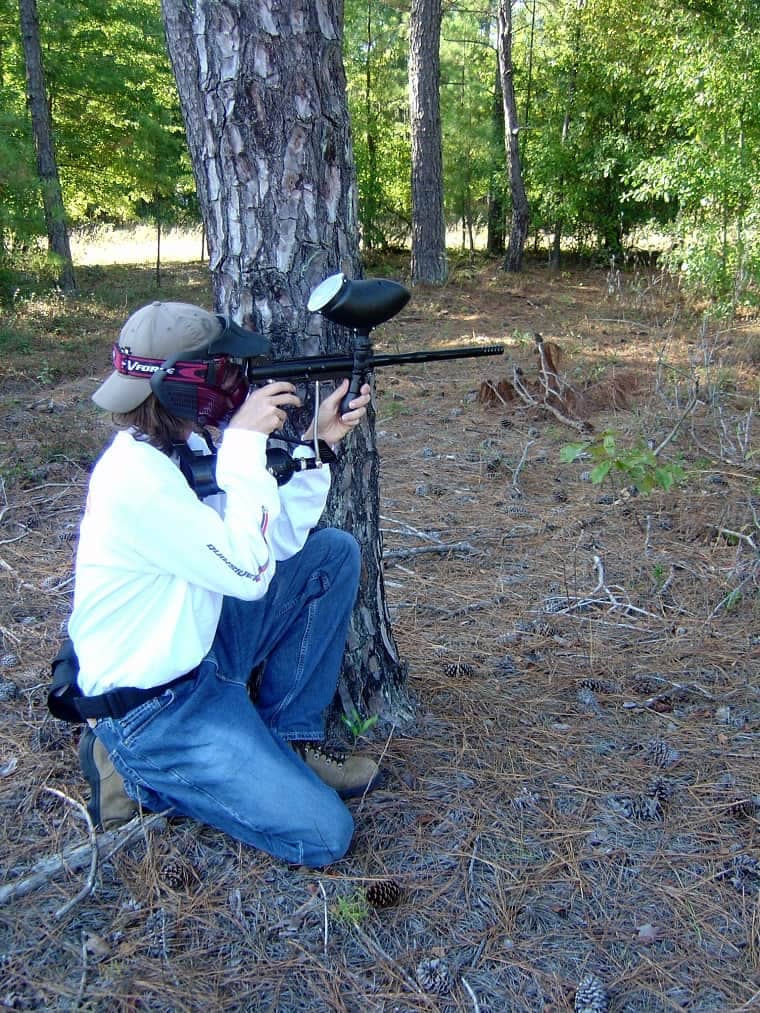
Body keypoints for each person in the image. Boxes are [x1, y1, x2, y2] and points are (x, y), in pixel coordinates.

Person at [68, 300, 380, 868]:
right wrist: (243, 448)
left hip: (202, 647)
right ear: (187, 385)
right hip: (155, 710)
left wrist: (318, 445)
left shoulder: (181, 446)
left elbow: (273, 544)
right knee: (324, 833)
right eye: (224, 371)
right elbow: (250, 571)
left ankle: (288, 739)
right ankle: (134, 771)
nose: (238, 382)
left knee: (329, 556)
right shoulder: (136, 482)